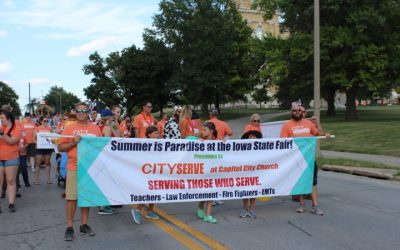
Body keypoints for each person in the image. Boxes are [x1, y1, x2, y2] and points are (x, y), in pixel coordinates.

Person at [58, 102, 102, 241]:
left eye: (84, 110)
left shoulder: (96, 129)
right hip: (74, 167)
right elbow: (60, 148)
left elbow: (101, 148)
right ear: (75, 112)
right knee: (71, 198)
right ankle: (69, 227)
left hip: (89, 168)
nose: (81, 112)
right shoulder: (69, 129)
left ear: (88, 111)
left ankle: (84, 225)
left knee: (86, 198)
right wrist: (73, 143)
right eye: (78, 110)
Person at [280, 104, 329, 216]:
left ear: (302, 112)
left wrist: (325, 134)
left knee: (313, 183)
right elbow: (282, 143)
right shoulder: (287, 125)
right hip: (296, 160)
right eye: (295, 110)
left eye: (299, 110)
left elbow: (317, 133)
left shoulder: (308, 123)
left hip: (310, 158)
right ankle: (301, 205)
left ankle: (315, 206)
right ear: (291, 112)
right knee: (301, 181)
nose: (297, 112)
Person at [131, 125, 161, 224]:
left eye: (158, 133)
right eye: (155, 133)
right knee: (147, 192)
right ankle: (137, 210)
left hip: (155, 170)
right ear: (149, 134)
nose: (158, 135)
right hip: (147, 172)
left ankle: (150, 211)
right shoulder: (144, 144)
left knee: (154, 192)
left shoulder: (160, 143)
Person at [0, 111, 21, 213]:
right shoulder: (2, 128)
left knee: (10, 180)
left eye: (3, 118)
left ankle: (11, 203)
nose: (1, 120)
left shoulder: (16, 128)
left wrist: (2, 134)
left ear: (8, 119)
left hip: (11, 157)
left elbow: (12, 141)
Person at [197, 121, 218, 223]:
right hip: (202, 171)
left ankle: (208, 215)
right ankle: (201, 206)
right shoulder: (200, 142)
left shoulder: (217, 142)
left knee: (210, 193)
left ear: (211, 131)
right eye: (202, 129)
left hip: (213, 171)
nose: (202, 132)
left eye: (205, 130)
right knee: (206, 193)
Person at [239, 130, 263, 218]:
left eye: (254, 136)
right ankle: (244, 209)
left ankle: (251, 209)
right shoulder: (243, 147)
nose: (253, 138)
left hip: (255, 172)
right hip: (245, 171)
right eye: (251, 136)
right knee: (245, 191)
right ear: (247, 137)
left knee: (253, 191)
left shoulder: (260, 148)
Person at [33, 116, 53, 184]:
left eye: (47, 121)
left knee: (47, 162)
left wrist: (52, 143)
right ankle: (36, 179)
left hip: (47, 148)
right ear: (41, 121)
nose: (46, 122)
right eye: (44, 121)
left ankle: (48, 179)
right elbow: (33, 138)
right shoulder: (37, 128)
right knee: (38, 162)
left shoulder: (50, 129)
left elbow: (51, 138)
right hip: (39, 148)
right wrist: (38, 144)